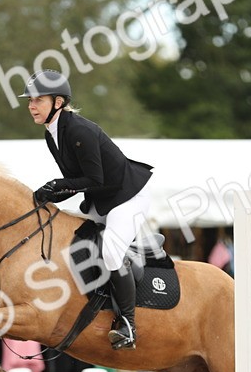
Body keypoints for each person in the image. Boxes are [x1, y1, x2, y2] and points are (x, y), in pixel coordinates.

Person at [21, 69, 153, 350]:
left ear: (58, 102)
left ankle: (128, 324)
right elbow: (80, 181)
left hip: (128, 196)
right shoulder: (52, 134)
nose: (31, 106)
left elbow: (94, 179)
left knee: (110, 251)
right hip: (103, 199)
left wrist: (57, 186)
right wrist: (56, 191)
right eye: (29, 100)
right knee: (71, 240)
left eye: (38, 100)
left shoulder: (79, 130)